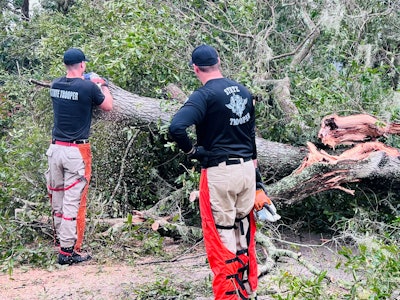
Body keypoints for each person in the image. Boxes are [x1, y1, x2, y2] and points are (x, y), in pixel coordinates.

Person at [169, 44, 258, 299]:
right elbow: (251, 139)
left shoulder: (204, 95)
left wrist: (192, 151)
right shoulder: (242, 90)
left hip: (220, 172)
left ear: (195, 68)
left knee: (222, 236)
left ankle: (229, 295)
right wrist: (258, 181)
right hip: (246, 171)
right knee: (243, 230)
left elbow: (176, 127)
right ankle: (246, 291)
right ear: (219, 61)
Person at [45, 48, 113, 265]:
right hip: (76, 152)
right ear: (82, 65)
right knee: (73, 202)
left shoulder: (55, 85)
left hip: (55, 150)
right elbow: (108, 106)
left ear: (65, 65)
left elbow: (72, 88)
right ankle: (68, 251)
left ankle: (61, 244)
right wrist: (101, 83)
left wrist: (86, 80)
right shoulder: (87, 87)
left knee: (58, 200)